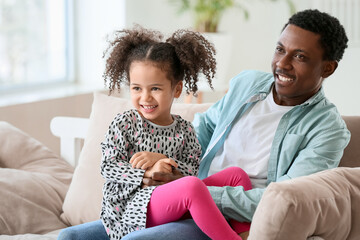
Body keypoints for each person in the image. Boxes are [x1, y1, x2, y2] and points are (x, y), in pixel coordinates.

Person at [57, 9, 351, 240]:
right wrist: (168, 164)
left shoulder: (327, 129)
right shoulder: (247, 84)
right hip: (188, 193)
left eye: (299, 56)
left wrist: (195, 192)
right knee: (70, 236)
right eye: (280, 49)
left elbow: (286, 201)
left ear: (328, 67)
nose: (282, 64)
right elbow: (197, 136)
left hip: (230, 216)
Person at [97, 25, 252, 240]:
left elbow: (193, 170)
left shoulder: (185, 129)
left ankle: (246, 234)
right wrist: (148, 173)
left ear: (176, 89)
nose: (145, 98)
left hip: (173, 199)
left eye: (155, 88)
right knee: (190, 187)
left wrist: (162, 160)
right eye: (136, 88)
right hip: (132, 209)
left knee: (236, 175)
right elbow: (109, 166)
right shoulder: (125, 123)